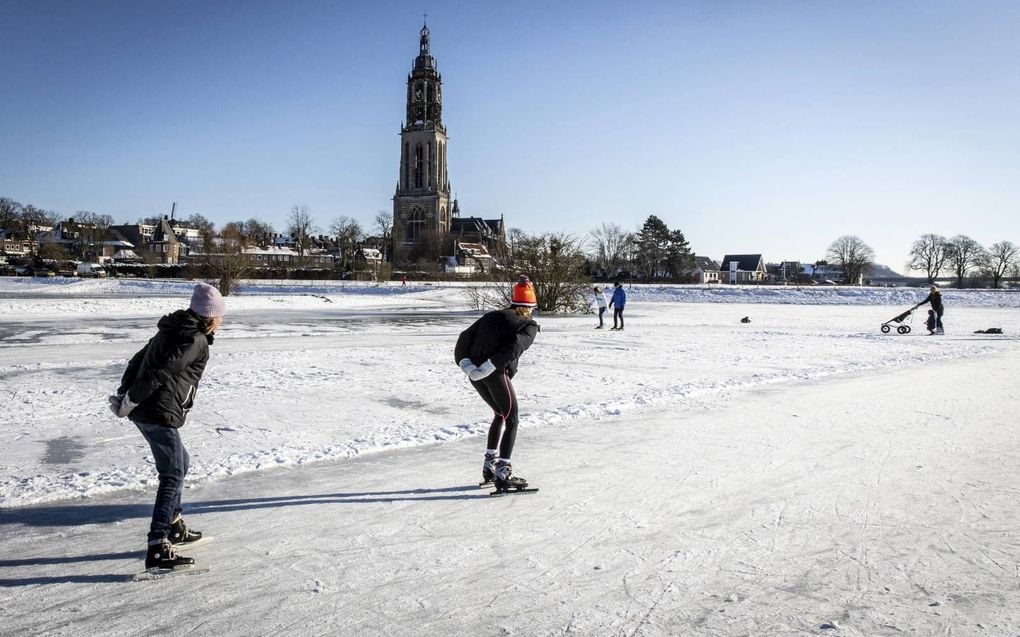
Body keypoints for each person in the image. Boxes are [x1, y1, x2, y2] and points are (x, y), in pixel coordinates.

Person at [109, 282, 225, 572]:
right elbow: (163, 371)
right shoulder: (194, 339)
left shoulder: (173, 328)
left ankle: (173, 525)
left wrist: (126, 393)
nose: (222, 322)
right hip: (156, 411)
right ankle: (158, 545)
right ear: (211, 316)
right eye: (220, 316)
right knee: (172, 472)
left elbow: (139, 358)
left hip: (147, 409)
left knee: (181, 462)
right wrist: (131, 398)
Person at [454, 275, 540, 491]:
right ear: (531, 306)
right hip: (495, 373)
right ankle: (503, 471)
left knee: (499, 415)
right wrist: (490, 366)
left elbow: (464, 337)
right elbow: (514, 348)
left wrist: (468, 366)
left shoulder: (491, 316)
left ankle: (489, 465)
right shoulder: (529, 324)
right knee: (512, 419)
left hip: (476, 375)